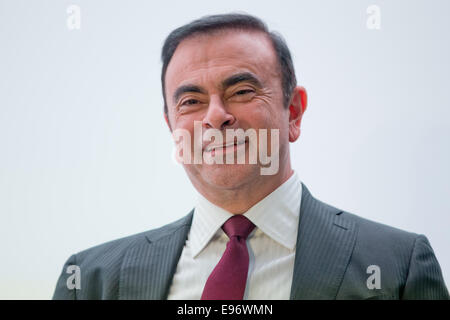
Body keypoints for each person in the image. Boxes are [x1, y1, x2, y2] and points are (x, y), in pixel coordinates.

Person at [53, 13, 449, 300]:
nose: (215, 117)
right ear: (171, 126)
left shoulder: (399, 268)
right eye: (191, 101)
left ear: (293, 112)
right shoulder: (92, 281)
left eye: (241, 91)